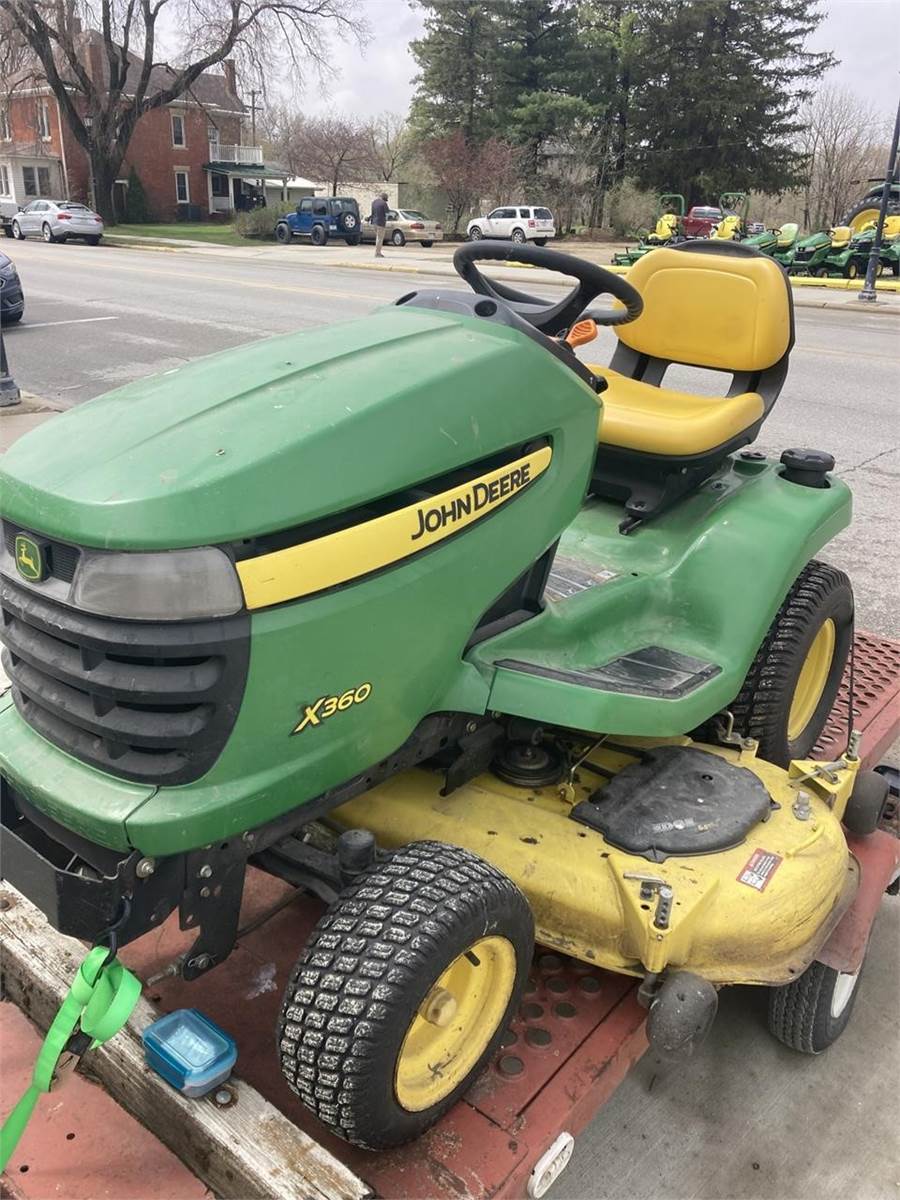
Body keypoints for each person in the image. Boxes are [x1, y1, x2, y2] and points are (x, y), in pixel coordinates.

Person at [370, 191, 389, 258]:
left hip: (374, 222)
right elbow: (387, 214)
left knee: (378, 237)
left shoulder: (374, 202)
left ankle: (377, 252)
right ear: (384, 198)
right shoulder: (384, 203)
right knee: (380, 238)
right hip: (381, 223)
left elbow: (372, 213)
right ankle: (377, 253)